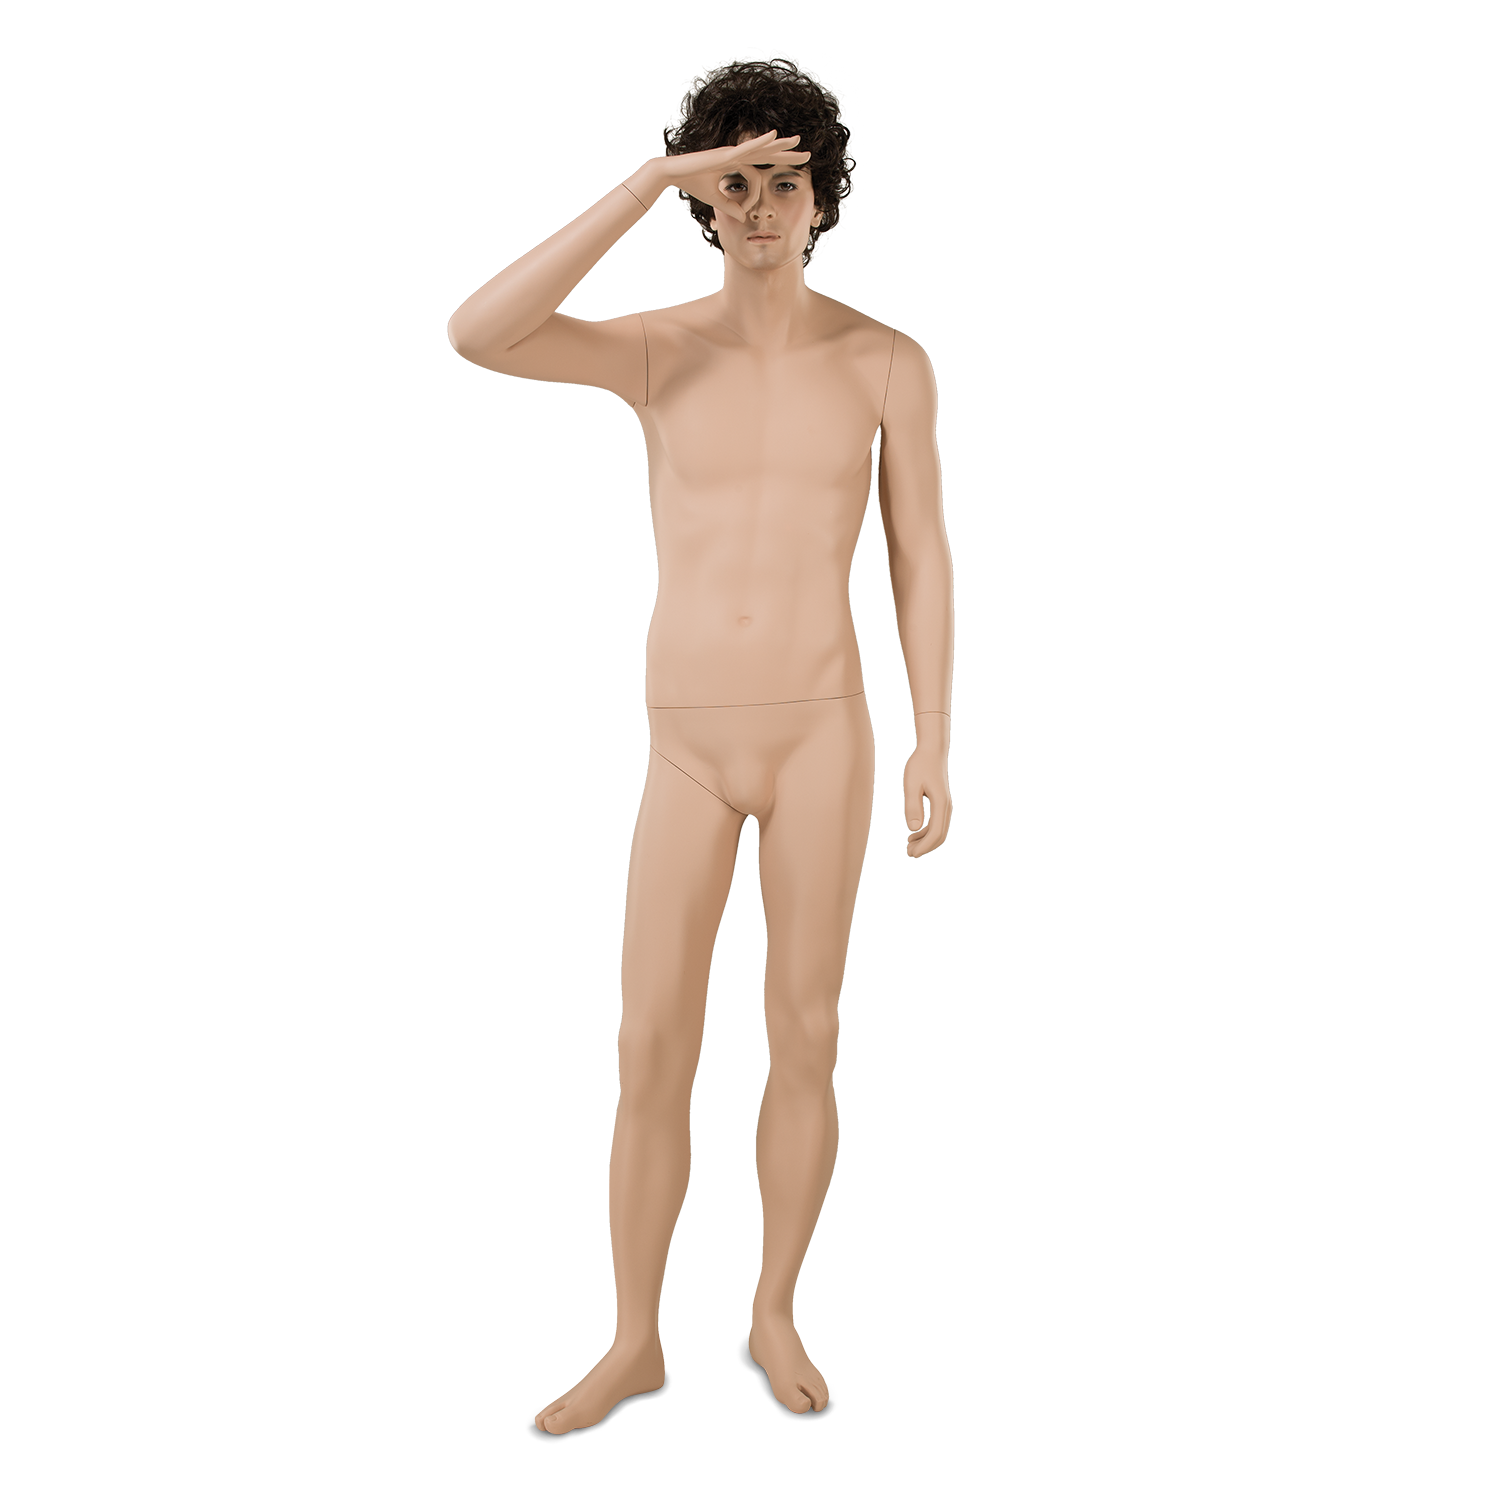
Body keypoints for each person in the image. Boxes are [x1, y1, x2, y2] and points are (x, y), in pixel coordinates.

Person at [448, 58, 953, 1435]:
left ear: (822, 198)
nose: (759, 205)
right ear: (703, 202)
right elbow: (478, 332)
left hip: (822, 736)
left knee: (807, 1034)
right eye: (732, 182)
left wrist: (936, 736)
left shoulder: (887, 359)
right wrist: (644, 181)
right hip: (687, 741)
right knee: (649, 1043)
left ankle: (773, 1314)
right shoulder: (657, 348)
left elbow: (920, 553)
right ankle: (632, 1343)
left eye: (784, 179)